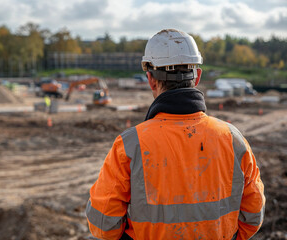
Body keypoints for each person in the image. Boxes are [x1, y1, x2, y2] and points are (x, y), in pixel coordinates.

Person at [85, 29, 265, 240]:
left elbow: (103, 224)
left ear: (150, 79)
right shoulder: (233, 139)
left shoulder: (130, 144)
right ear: (197, 76)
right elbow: (253, 215)